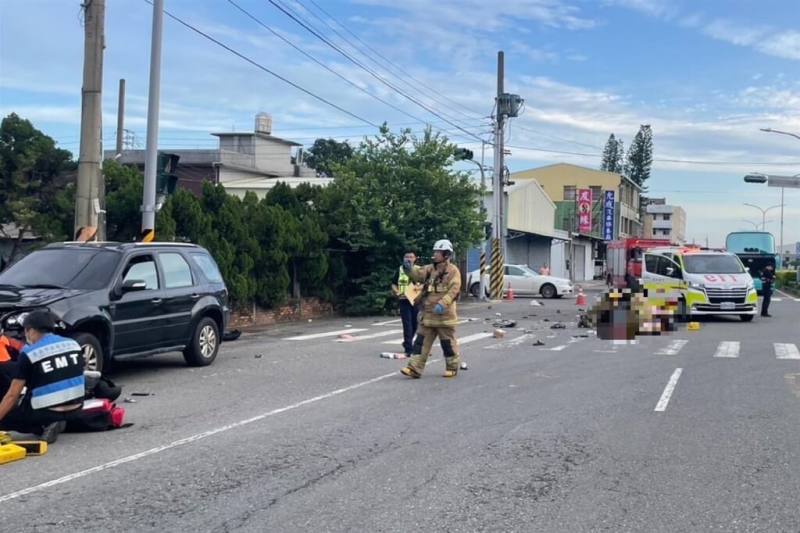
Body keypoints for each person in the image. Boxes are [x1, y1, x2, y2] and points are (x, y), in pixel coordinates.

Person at [0, 311, 85, 443]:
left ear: (31, 330)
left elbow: (12, 395)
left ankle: (44, 426)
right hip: (77, 407)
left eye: (25, 331)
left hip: (45, 412)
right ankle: (58, 421)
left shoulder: (29, 353)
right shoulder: (73, 344)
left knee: (6, 418)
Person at [400, 239, 462, 379]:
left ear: (446, 254)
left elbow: (454, 290)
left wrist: (443, 303)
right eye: (435, 252)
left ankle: (452, 367)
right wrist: (409, 268)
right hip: (428, 315)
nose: (435, 254)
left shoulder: (453, 271)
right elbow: (418, 274)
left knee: (447, 343)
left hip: (445, 316)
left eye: (438, 252)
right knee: (420, 343)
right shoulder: (430, 269)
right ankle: (414, 368)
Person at [391, 251, 421, 357]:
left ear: (415, 259)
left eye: (411, 257)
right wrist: (396, 292)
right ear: (403, 258)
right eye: (406, 256)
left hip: (415, 300)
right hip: (403, 300)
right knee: (407, 324)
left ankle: (406, 343)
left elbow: (424, 283)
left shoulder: (419, 270)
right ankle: (408, 348)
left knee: (415, 324)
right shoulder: (399, 270)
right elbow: (393, 284)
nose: (408, 259)